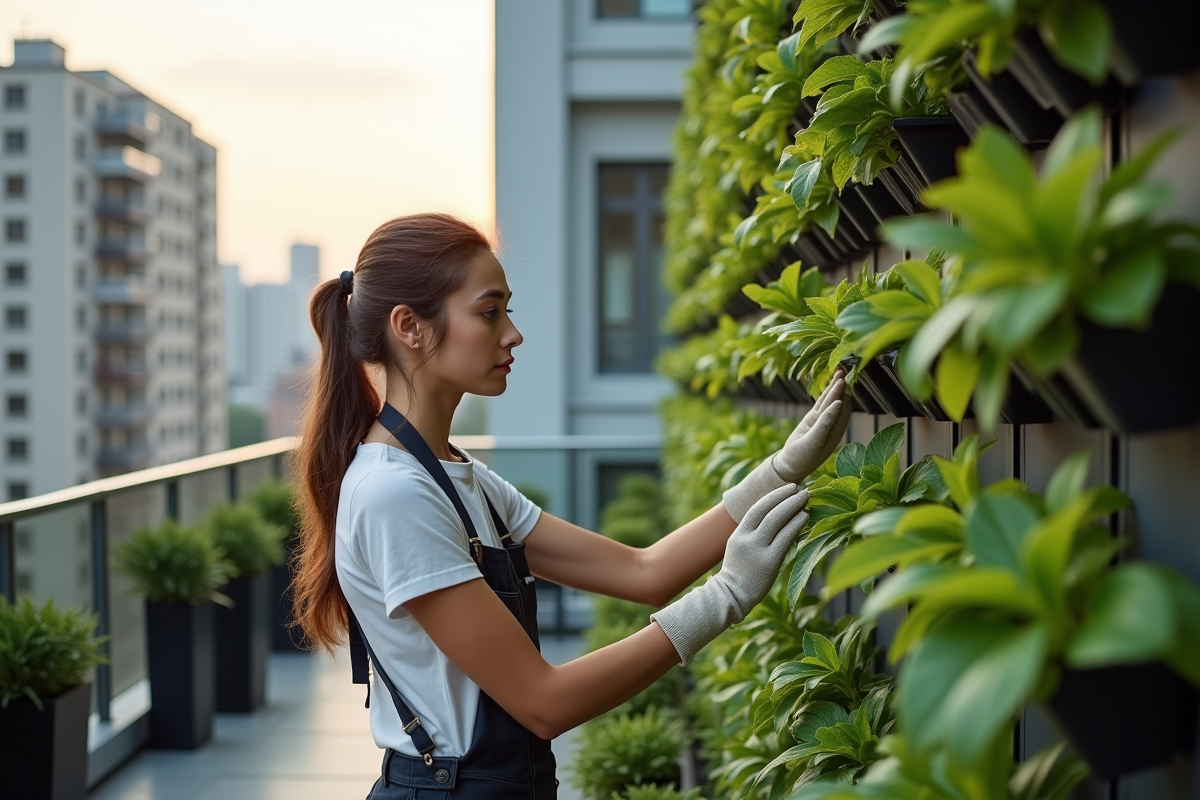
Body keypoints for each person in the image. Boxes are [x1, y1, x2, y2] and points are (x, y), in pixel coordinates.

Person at [290, 213, 851, 799]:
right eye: (489, 312)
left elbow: (644, 573)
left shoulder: (460, 476)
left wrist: (781, 469)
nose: (513, 334)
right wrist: (726, 597)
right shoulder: (395, 494)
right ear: (409, 326)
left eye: (508, 310)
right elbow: (543, 703)